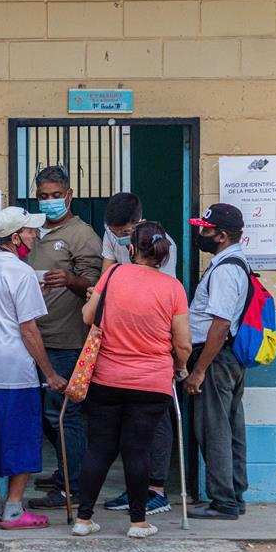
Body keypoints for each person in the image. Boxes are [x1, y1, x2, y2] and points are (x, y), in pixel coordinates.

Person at [73, 221, 191, 539]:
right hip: (151, 384)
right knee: (137, 450)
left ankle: (83, 519)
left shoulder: (113, 276)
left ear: (132, 249)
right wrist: (180, 367)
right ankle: (138, 522)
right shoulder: (173, 288)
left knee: (99, 448)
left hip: (107, 378)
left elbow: (88, 316)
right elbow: (182, 343)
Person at [0, 207, 67, 531]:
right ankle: (13, 507)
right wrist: (49, 373)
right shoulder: (21, 272)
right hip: (15, 370)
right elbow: (28, 330)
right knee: (21, 438)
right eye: (29, 232)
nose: (34, 236)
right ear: (14, 238)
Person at [26, 165, 102, 510]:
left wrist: (70, 279)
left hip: (66, 338)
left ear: (69, 195)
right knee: (45, 413)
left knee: (65, 414)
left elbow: (95, 284)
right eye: (44, 196)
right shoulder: (32, 231)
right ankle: (63, 473)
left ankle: (72, 487)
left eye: (57, 196)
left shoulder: (82, 234)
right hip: (34, 336)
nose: (50, 202)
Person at [99, 192, 180, 516]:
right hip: (121, 339)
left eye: (123, 230)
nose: (118, 235)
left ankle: (156, 489)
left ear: (138, 224)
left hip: (152, 337)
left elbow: (163, 293)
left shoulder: (162, 244)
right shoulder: (111, 233)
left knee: (156, 418)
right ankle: (136, 489)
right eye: (113, 229)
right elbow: (106, 277)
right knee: (129, 424)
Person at [185, 204, 250, 520]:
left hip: (215, 359)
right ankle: (235, 495)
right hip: (226, 359)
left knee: (214, 430)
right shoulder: (233, 263)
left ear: (222, 236)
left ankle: (224, 502)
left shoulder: (225, 270)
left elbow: (220, 325)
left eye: (206, 229)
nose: (201, 234)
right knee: (230, 427)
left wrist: (199, 370)